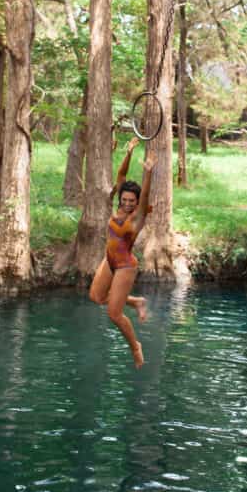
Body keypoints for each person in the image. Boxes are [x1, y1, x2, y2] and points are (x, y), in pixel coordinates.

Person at [89, 137, 155, 369]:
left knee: (114, 314)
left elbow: (146, 197)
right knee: (96, 297)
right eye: (124, 199)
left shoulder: (136, 217)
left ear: (137, 203)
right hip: (109, 261)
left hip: (125, 265)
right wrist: (128, 153)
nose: (127, 203)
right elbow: (120, 176)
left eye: (131, 200)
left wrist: (148, 173)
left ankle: (136, 347)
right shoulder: (118, 206)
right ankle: (135, 301)